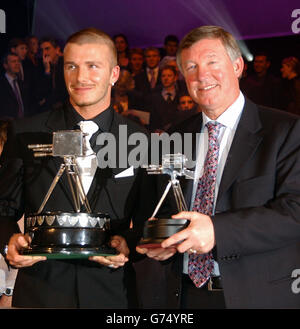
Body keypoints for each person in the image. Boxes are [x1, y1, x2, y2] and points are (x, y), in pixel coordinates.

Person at [136, 25, 300, 309]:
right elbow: (167, 207)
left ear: (237, 66)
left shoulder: (286, 130)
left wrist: (218, 232)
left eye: (212, 62)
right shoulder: (175, 137)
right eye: (191, 67)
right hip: (183, 295)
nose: (202, 75)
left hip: (256, 296)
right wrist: (165, 241)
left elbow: (295, 211)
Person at [0, 27, 154, 308]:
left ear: (114, 74)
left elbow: (147, 222)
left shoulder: (139, 139)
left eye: (93, 66)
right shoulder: (25, 132)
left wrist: (127, 243)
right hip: (40, 293)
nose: (81, 77)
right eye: (72, 66)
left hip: (112, 295)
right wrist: (8, 242)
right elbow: (3, 210)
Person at [34, 37, 68, 113]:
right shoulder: (40, 66)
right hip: (48, 109)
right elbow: (40, 92)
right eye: (41, 50)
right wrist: (47, 70)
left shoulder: (65, 64)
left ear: (57, 49)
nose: (44, 53)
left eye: (47, 49)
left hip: (65, 108)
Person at [0, 52, 29, 119]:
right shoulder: (1, 84)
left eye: (18, 61)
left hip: (24, 122)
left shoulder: (22, 83)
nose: (17, 64)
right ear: (5, 65)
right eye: (13, 61)